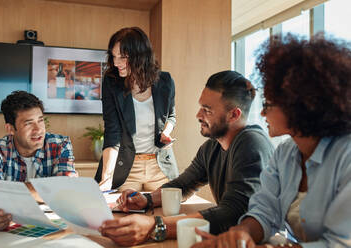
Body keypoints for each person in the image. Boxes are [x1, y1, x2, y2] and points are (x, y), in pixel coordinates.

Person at [192, 34, 351, 248]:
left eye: (269, 103)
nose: (263, 114)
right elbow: (264, 212)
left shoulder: (346, 158)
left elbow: (341, 243)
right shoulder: (285, 154)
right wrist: (241, 233)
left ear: (302, 106)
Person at [98, 70, 275, 246]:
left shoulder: (251, 143)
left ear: (234, 115)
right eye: (201, 107)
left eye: (207, 110)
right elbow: (182, 185)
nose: (198, 115)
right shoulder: (212, 147)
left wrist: (156, 226)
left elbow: (233, 213)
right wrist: (147, 200)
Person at [0, 90, 77, 232]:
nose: (38, 130)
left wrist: (8, 195)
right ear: (10, 129)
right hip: (7, 231)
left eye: (40, 121)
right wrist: (49, 189)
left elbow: (64, 191)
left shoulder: (60, 144)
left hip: (51, 229)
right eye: (29, 124)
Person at [99, 27, 178, 191]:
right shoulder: (111, 82)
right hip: (127, 166)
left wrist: (166, 132)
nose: (116, 63)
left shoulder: (165, 81)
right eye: (114, 56)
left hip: (160, 165)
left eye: (123, 57)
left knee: (169, 213)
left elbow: (171, 116)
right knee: (125, 213)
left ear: (140, 56)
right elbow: (112, 133)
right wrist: (107, 177)